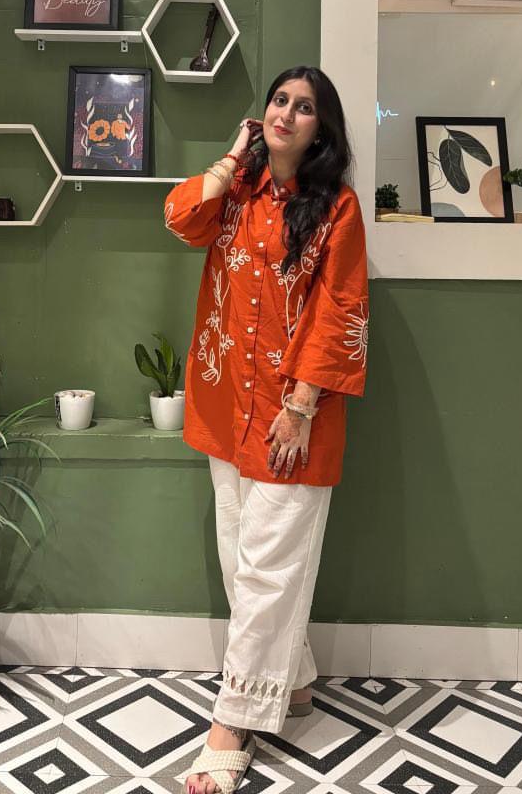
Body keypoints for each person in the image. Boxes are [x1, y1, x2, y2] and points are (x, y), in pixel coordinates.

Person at [163, 66, 369, 794]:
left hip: (293, 418)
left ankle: (233, 723)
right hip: (227, 409)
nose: (287, 112)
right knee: (239, 557)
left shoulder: (337, 209)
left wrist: (303, 403)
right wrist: (232, 156)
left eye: (304, 106)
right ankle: (298, 681)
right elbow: (180, 215)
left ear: (323, 128)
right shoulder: (238, 196)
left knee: (267, 569)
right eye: (279, 100)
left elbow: (342, 307)